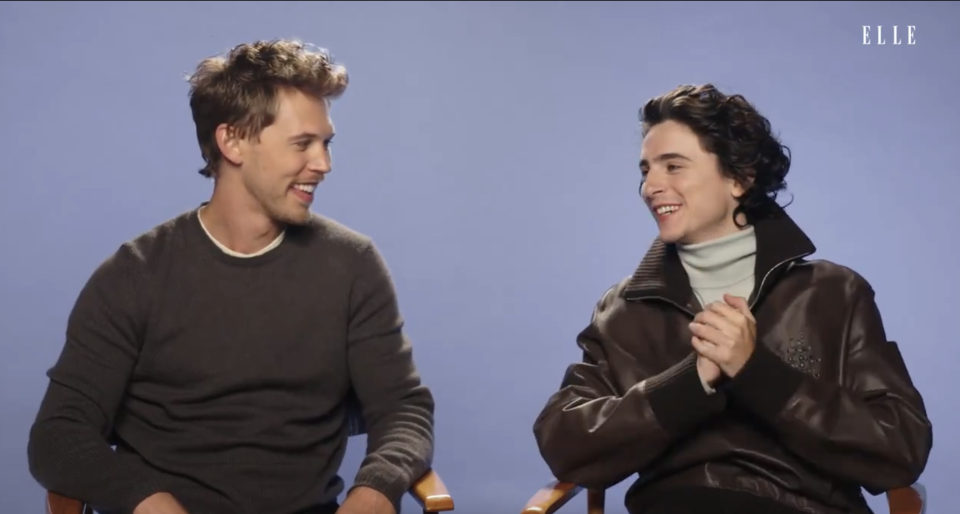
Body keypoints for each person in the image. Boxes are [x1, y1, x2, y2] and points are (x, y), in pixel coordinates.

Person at [27, 39, 435, 514]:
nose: (323, 164)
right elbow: (58, 435)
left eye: (326, 143)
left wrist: (375, 491)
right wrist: (145, 500)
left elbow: (404, 409)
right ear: (233, 141)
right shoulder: (135, 274)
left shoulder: (353, 264)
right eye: (303, 143)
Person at [532, 84, 933, 514]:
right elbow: (565, 443)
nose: (650, 186)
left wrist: (755, 371)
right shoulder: (625, 308)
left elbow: (899, 448)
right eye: (646, 170)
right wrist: (692, 382)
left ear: (739, 177)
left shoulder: (833, 293)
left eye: (673, 166)